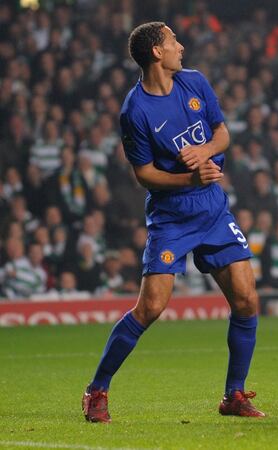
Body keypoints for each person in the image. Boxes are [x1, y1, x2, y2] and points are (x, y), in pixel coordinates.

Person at [82, 22, 263, 423]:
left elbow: (222, 133)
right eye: (173, 41)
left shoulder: (194, 82)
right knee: (150, 307)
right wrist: (189, 179)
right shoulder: (135, 110)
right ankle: (97, 389)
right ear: (156, 52)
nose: (181, 46)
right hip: (172, 217)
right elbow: (144, 174)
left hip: (212, 208)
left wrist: (205, 151)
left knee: (247, 300)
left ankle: (233, 395)